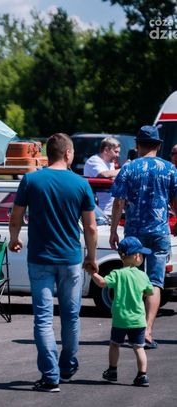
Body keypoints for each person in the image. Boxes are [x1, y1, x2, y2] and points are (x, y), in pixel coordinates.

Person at [9, 133, 98, 392]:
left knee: (43, 319)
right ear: (68, 153)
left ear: (49, 154)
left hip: (40, 258)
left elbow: (15, 217)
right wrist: (91, 257)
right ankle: (67, 366)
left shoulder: (31, 180)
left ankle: (50, 376)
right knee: (71, 316)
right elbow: (91, 227)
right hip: (70, 259)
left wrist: (14, 238)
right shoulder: (80, 183)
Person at [109, 125, 177, 349]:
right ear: (158, 145)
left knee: (133, 280)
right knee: (155, 281)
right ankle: (147, 331)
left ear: (137, 145)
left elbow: (118, 202)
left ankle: (132, 328)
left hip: (134, 233)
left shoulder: (128, 168)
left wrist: (113, 230)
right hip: (159, 231)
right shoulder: (170, 169)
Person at [89, 236, 154, 387]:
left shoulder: (117, 274)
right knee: (139, 348)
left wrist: (92, 273)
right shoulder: (142, 275)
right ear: (137, 256)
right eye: (141, 254)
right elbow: (149, 292)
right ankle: (142, 375)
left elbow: (102, 283)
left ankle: (112, 371)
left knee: (114, 344)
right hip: (138, 320)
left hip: (120, 319)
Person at [83, 137, 121, 214]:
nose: (118, 155)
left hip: (110, 210)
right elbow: (103, 174)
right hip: (99, 211)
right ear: (106, 150)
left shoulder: (110, 163)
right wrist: (125, 169)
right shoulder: (94, 161)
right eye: (116, 152)